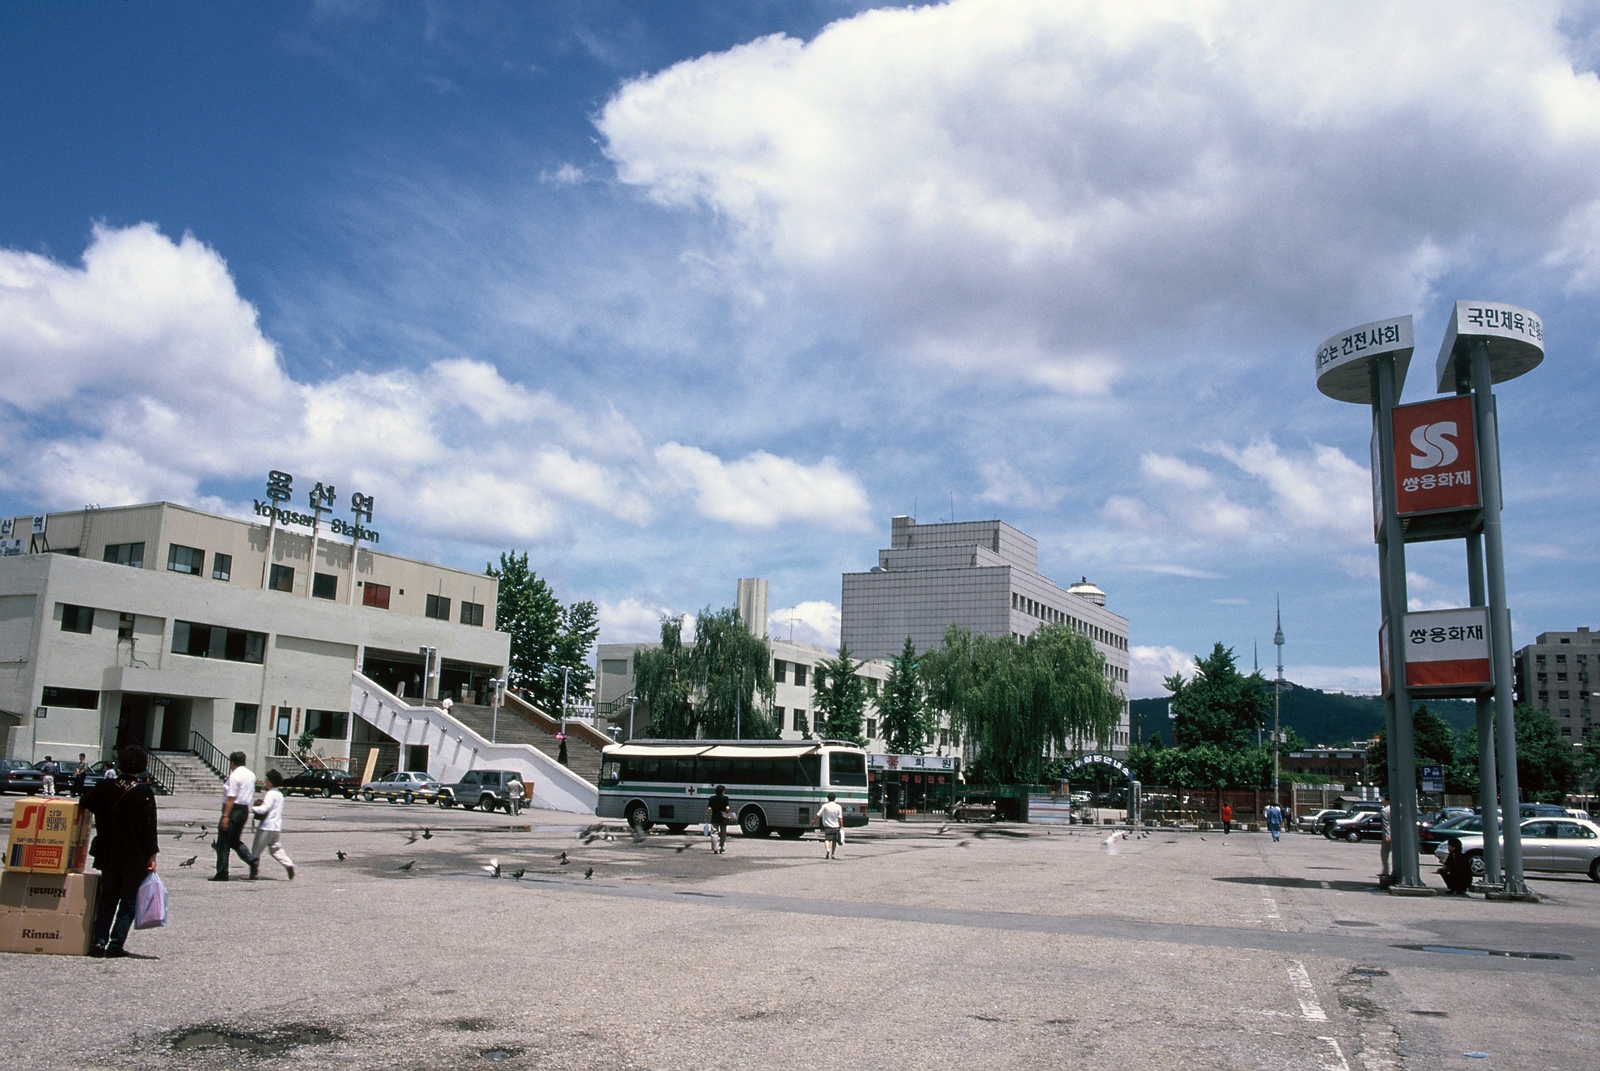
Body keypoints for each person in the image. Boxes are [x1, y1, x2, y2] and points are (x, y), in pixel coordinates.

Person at [81, 745, 159, 957]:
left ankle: (98, 941)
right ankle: (116, 944)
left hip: (108, 851)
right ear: (141, 766)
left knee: (108, 897)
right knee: (129, 900)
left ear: (120, 763)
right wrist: (152, 854)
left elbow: (85, 801)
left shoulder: (104, 787)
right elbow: (149, 826)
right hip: (135, 854)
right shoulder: (144, 792)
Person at [213, 751, 258, 882]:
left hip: (233, 810)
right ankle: (252, 860)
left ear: (232, 763)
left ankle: (222, 872)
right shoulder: (251, 775)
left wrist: (225, 816)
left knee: (223, 843)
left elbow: (231, 797)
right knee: (234, 840)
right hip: (244, 810)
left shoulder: (234, 776)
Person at [248, 770, 295, 880]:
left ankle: (253, 873)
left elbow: (264, 809)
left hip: (266, 826)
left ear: (271, 782)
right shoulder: (280, 794)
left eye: (267, 780)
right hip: (276, 827)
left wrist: (252, 808)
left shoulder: (270, 794)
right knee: (276, 849)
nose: (265, 782)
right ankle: (288, 864)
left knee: (256, 850)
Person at [817, 792, 845, 859]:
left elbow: (818, 814)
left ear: (828, 798)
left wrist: (814, 820)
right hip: (836, 827)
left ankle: (828, 849)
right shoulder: (838, 807)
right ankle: (832, 854)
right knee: (834, 841)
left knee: (827, 839)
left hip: (827, 826)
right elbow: (840, 817)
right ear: (835, 799)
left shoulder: (824, 806)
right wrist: (841, 825)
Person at [706, 785, 732, 854]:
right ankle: (722, 847)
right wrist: (727, 811)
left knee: (714, 833)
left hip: (714, 817)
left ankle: (715, 848)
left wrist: (706, 818)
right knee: (723, 833)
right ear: (722, 791)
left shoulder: (712, 798)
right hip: (723, 818)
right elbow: (727, 808)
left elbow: (709, 809)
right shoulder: (725, 798)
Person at [1378, 796, 1393, 886]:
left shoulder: (1385, 810)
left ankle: (1386, 870)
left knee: (1384, 854)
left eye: (1383, 799)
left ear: (1387, 800)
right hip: (1398, 836)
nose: (1382, 801)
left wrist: (1387, 835)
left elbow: (1386, 824)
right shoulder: (1398, 808)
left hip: (1389, 836)